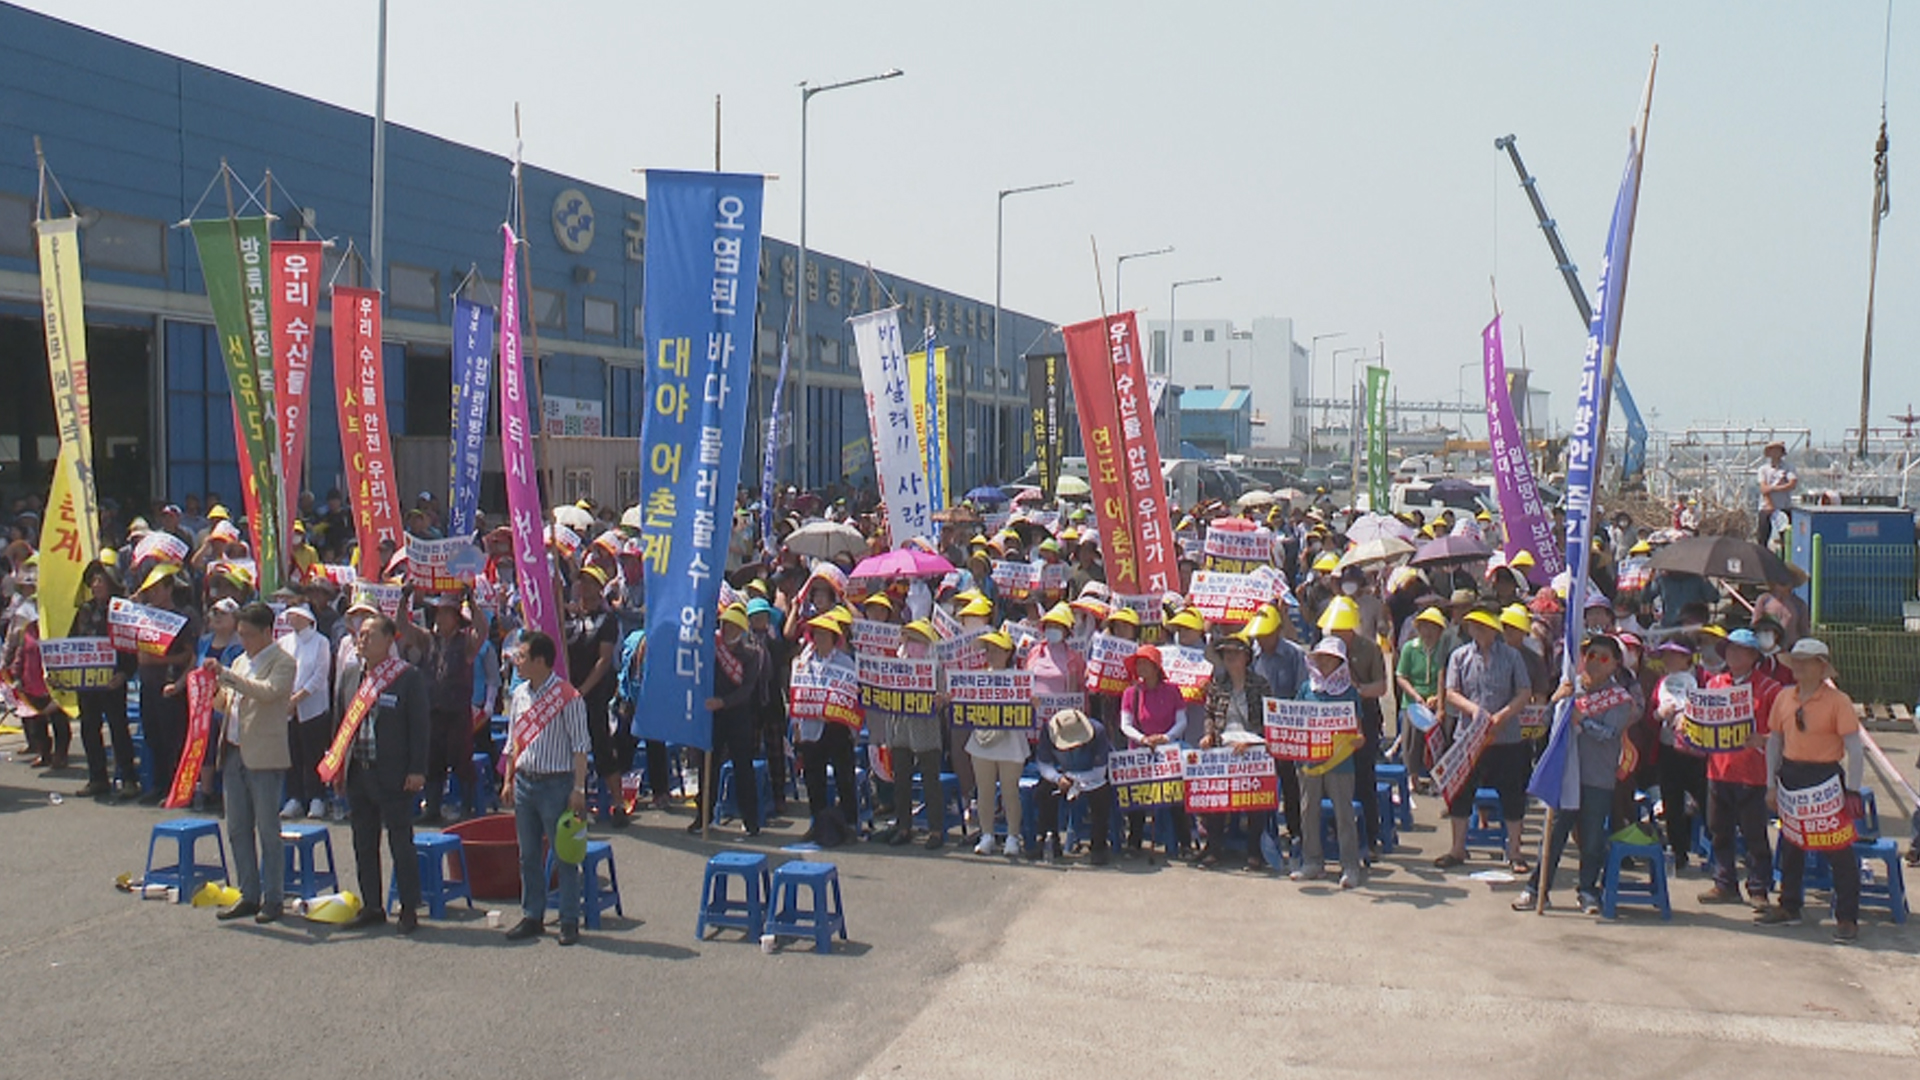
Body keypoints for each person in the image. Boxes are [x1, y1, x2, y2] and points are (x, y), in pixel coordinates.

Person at [1512, 635, 1633, 914]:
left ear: (1614, 664)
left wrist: (1582, 720)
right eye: (1591, 656)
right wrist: (1556, 701)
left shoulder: (1619, 698)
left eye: (1603, 658)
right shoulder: (1571, 688)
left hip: (1596, 776)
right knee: (1553, 835)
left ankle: (1588, 891)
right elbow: (1543, 724)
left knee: (1591, 838)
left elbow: (1610, 734)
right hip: (1565, 773)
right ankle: (1537, 888)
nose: (1594, 663)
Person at [1758, 638, 1864, 943]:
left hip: (1825, 777)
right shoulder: (1783, 697)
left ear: (1821, 667)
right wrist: (1770, 785)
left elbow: (1855, 749)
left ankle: (1847, 916)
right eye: (1797, 660)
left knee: (1837, 848)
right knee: (1790, 845)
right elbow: (1774, 741)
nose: (1799, 666)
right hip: (1791, 773)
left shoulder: (1838, 702)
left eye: (1806, 661)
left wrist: (1853, 791)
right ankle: (1789, 905)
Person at [332, 614, 431, 934]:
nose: (362, 640)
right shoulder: (349, 674)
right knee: (363, 841)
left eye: (370, 635)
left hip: (394, 771)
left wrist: (417, 769)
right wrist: (337, 766)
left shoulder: (406, 677)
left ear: (390, 640)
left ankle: (408, 907)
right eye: (359, 635)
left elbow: (419, 727)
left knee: (400, 841)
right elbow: (339, 723)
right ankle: (372, 905)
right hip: (359, 770)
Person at [204, 601, 296, 923]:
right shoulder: (241, 661)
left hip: (264, 755)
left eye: (248, 634)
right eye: (240, 634)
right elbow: (227, 701)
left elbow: (269, 692)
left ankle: (273, 897)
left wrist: (227, 677)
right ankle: (248, 892)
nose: (243, 640)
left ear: (266, 632)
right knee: (237, 828)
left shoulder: (283, 662)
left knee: (268, 830)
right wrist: (215, 691)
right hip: (233, 749)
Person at [499, 631, 590, 945]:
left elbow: (580, 746)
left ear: (540, 661)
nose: (516, 661)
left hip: (557, 783)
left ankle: (568, 919)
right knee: (528, 855)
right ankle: (532, 915)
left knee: (564, 855)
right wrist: (508, 779)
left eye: (522, 656)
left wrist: (578, 788)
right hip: (525, 781)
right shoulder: (520, 694)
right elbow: (513, 742)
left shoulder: (568, 697)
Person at [1434, 608, 1533, 872]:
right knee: (1461, 792)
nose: (1479, 632)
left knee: (1512, 793)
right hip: (1469, 736)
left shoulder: (1512, 656)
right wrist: (1474, 710)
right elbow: (1452, 692)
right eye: (1474, 627)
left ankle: (1514, 851)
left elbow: (1524, 691)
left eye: (1484, 627)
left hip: (1506, 736)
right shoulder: (1460, 656)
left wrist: (1504, 714)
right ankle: (1457, 848)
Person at [1697, 629, 1782, 910]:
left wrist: (1764, 739)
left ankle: (1759, 888)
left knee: (1754, 833)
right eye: (1730, 650)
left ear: (1754, 656)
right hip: (1718, 770)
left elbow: (1784, 733)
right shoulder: (1713, 685)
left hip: (1754, 773)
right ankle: (1725, 883)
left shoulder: (1770, 689)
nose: (1733, 655)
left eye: (1740, 650)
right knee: (1718, 830)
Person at [1292, 636, 1365, 888]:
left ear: (1340, 662)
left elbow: (1357, 728)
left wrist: (1358, 739)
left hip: (1340, 762)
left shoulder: (1349, 692)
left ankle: (1350, 866)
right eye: (1321, 657)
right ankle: (1312, 861)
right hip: (1309, 761)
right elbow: (1294, 720)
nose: (1324, 662)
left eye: (1330, 658)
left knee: (1344, 814)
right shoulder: (1306, 688)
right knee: (1307, 810)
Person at [1198, 634, 1273, 870]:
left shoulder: (1260, 685)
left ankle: (1254, 851)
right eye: (1226, 654)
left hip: (1252, 749)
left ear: (1246, 657)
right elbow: (1209, 715)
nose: (1230, 657)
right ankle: (1214, 847)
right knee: (1216, 796)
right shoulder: (1218, 685)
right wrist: (1209, 735)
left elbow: (1268, 719)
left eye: (1235, 653)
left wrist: (1251, 742)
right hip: (1223, 746)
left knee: (1255, 801)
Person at [692, 604, 767, 837]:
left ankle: (751, 820)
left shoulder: (752, 654)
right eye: (725, 625)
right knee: (708, 766)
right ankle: (702, 816)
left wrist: (723, 702)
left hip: (739, 715)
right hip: (713, 716)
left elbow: (747, 689)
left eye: (733, 626)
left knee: (742, 767)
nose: (727, 630)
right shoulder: (712, 647)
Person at [876, 619, 948, 850]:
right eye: (910, 638)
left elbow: (945, 696)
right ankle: (903, 826)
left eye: (918, 639)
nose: (913, 644)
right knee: (902, 781)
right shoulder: (896, 664)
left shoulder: (935, 667)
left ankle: (936, 830)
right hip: (900, 727)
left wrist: (940, 700)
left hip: (925, 728)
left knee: (930, 781)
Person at [71, 561, 140, 799]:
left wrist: (124, 673)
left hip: (113, 679)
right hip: (87, 681)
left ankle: (129, 778)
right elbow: (72, 644)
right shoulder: (84, 610)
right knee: (89, 728)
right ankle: (97, 778)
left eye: (101, 580)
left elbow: (131, 647)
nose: (96, 584)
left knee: (118, 728)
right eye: (93, 580)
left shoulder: (122, 610)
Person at [565, 566, 628, 826]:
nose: (585, 587)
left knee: (601, 746)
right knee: (567, 749)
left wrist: (583, 691)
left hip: (593, 693)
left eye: (591, 583)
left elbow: (604, 661)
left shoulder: (607, 619)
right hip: (567, 691)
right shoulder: (568, 615)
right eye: (582, 582)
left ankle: (618, 802)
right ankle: (570, 802)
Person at [1117, 642, 1192, 856]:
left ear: (1156, 667)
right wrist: (1143, 739)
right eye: (1138, 664)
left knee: (1175, 796)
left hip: (1167, 751)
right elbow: (1126, 724)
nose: (1141, 669)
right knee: (1136, 797)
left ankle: (1184, 843)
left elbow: (1181, 721)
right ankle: (1134, 841)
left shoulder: (1172, 691)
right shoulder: (1131, 693)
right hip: (1140, 751)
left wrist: (1166, 738)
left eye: (1145, 664)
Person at [135, 564, 201, 804]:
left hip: (171, 683)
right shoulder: (144, 616)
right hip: (148, 684)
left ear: (169, 588)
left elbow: (190, 654)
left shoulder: (184, 616)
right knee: (153, 736)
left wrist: (159, 660)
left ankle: (177, 788)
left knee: (173, 738)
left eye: (156, 588)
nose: (152, 593)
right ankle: (159, 785)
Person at [965, 629, 1030, 855]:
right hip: (982, 740)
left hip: (1011, 741)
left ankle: (1013, 836)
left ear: (1007, 652)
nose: (991, 655)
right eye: (988, 651)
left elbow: (1029, 706)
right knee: (984, 791)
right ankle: (987, 835)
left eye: (995, 650)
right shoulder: (978, 678)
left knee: (1010, 790)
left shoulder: (1019, 678)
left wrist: (1032, 703)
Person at [420, 596, 483, 824]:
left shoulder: (466, 642)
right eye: (439, 613)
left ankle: (468, 807)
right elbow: (403, 628)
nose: (441, 617)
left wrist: (472, 602)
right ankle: (432, 808)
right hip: (433, 708)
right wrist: (403, 599)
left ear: (457, 619)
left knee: (461, 759)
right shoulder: (427, 639)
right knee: (432, 760)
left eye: (447, 613)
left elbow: (482, 630)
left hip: (457, 710)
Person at [1031, 707, 1114, 866]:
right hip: (1063, 774)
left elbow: (1100, 770)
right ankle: (1048, 839)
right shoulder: (1048, 731)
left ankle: (1098, 846)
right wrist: (1058, 778)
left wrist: (1074, 779)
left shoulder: (1098, 731)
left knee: (1102, 797)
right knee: (1043, 793)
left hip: (1091, 776)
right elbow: (1044, 764)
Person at [279, 604, 334, 820]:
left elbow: (320, 675)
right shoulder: (284, 642)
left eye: (297, 615)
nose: (292, 619)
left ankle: (317, 798)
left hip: (314, 708)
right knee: (293, 753)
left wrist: (298, 697)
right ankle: (294, 798)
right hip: (288, 709)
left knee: (314, 753)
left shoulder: (321, 642)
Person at [1393, 606, 1448, 788]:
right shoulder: (1410, 648)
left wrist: (1437, 699)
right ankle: (1412, 776)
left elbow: (1448, 679)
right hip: (1413, 701)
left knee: (1439, 741)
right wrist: (1415, 695)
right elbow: (1401, 676)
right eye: (1424, 626)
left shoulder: (1444, 649)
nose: (1428, 631)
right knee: (1411, 738)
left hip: (1438, 700)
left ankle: (1436, 778)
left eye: (1433, 627)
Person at [1755, 440, 1797, 546]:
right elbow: (1763, 488)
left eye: (1778, 450)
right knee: (1762, 538)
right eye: (1773, 450)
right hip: (1766, 508)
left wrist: (1773, 488)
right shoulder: (1763, 469)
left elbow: (1792, 484)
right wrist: (1780, 487)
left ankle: (1784, 560)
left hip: (1784, 507)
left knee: (1786, 540)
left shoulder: (1789, 468)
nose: (1775, 453)